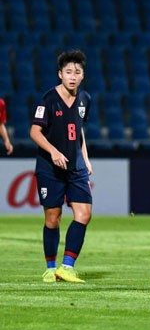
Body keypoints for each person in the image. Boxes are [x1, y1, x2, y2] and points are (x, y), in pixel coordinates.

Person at [30, 49, 93, 283]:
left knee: (84, 214)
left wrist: (85, 158)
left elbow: (79, 131)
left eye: (77, 72)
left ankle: (67, 267)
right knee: (53, 218)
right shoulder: (48, 99)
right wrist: (53, 151)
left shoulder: (85, 100)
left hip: (75, 167)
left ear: (82, 76)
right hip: (50, 167)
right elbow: (34, 132)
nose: (73, 76)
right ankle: (50, 268)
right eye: (68, 72)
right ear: (60, 74)